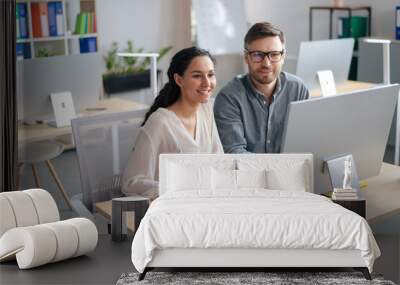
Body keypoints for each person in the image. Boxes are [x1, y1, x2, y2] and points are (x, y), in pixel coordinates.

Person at [122, 47, 223, 199]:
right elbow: (131, 183)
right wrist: (177, 189)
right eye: (197, 76)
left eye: (210, 74)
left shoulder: (207, 109)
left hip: (202, 202)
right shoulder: (160, 122)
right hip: (169, 208)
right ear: (179, 80)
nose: (206, 83)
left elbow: (218, 159)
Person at [214, 22, 309, 154]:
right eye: (258, 55)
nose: (266, 63)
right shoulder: (228, 98)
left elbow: (305, 141)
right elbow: (235, 154)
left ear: (283, 57)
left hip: (291, 171)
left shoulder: (298, 89)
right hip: (248, 173)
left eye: (274, 54)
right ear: (246, 58)